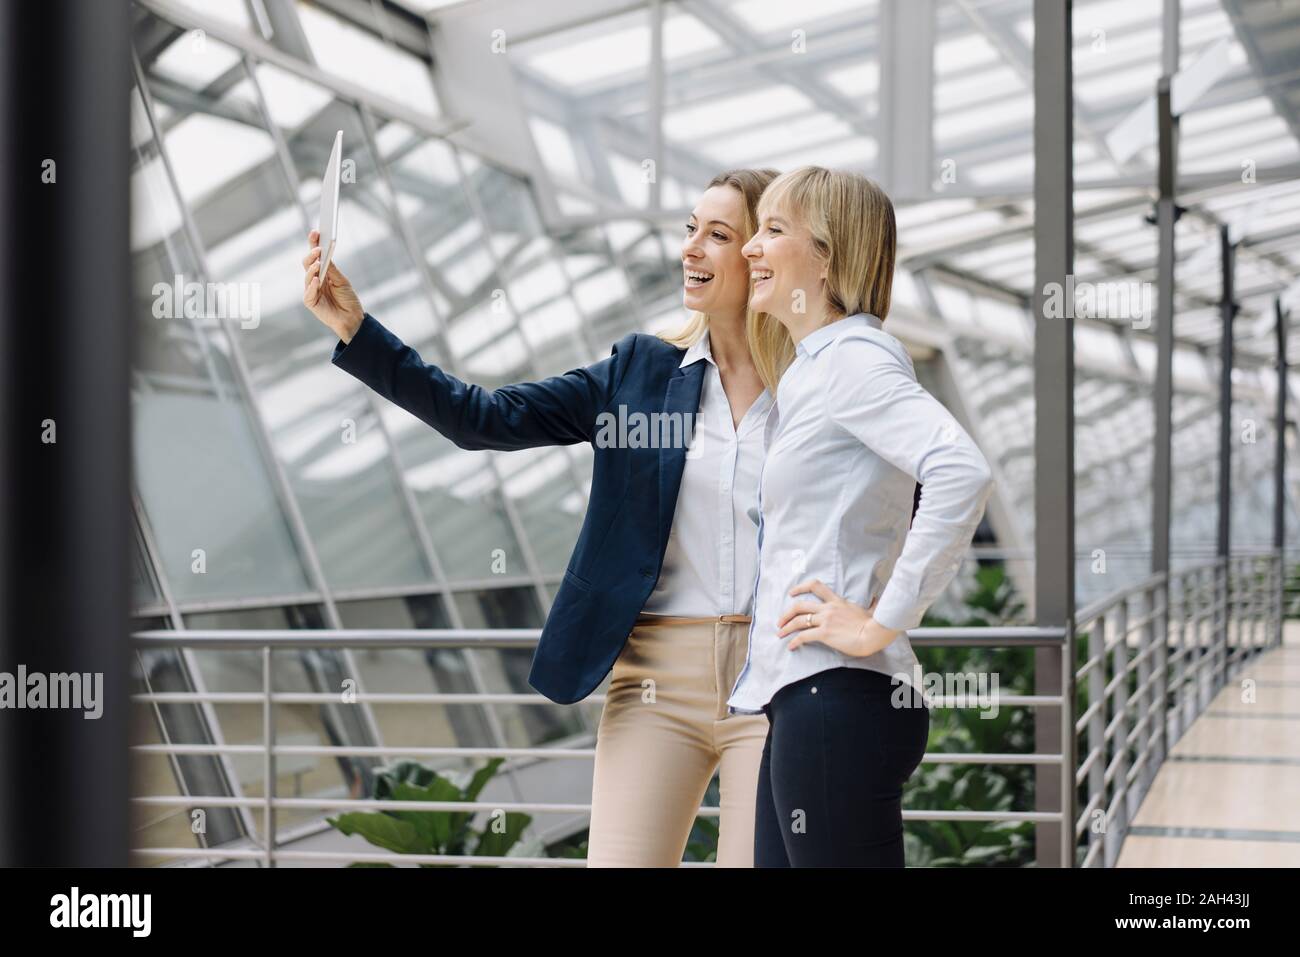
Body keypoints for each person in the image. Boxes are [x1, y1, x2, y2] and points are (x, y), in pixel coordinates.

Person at [301, 169, 789, 867]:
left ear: (760, 256)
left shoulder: (810, 387)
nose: (691, 249)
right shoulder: (640, 373)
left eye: (718, 234)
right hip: (654, 676)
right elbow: (481, 417)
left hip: (771, 681)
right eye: (689, 229)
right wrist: (356, 327)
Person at [729, 165, 995, 867]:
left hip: (834, 697)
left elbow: (961, 469)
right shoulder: (813, 369)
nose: (752, 248)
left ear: (827, 256)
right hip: (809, 698)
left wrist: (882, 620)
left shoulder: (852, 359)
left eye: (774, 229)